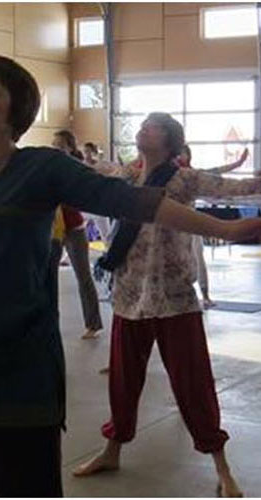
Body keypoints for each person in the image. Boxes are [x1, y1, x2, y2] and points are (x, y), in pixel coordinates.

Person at [0, 55, 261, 497]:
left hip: (20, 366)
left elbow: (131, 201)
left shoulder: (43, 168)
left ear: (17, 109)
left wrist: (224, 228)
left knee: (25, 483)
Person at [72, 114, 261, 497]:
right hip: (129, 293)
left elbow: (234, 187)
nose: (144, 128)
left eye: (153, 125)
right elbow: (92, 171)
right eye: (143, 124)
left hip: (174, 297)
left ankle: (221, 466)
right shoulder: (127, 175)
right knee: (123, 382)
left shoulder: (184, 178)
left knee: (193, 384)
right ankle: (112, 451)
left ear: (171, 139)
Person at [177, 144, 248, 308]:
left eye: (183, 153)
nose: (180, 157)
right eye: (178, 154)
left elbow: (216, 172)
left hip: (191, 224)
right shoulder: (165, 175)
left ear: (188, 156)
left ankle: (205, 295)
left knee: (198, 257)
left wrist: (237, 164)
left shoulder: (193, 175)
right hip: (172, 225)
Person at [51, 130, 104, 339]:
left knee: (83, 276)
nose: (56, 148)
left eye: (60, 144)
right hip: (54, 229)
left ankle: (93, 323)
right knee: (48, 277)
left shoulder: (76, 168)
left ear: (70, 148)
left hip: (74, 227)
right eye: (54, 144)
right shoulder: (49, 167)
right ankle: (48, 323)